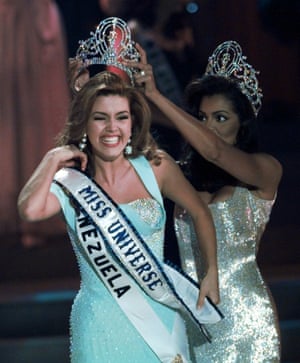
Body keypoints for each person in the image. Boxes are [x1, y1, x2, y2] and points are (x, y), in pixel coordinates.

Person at [17, 62, 223, 362]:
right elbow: (30, 210)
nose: (112, 128)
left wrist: (211, 272)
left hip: (161, 318)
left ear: (132, 122)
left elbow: (200, 213)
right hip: (98, 324)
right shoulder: (71, 183)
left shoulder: (156, 166)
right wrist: (51, 159)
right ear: (85, 123)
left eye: (121, 117)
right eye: (100, 118)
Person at [130, 40, 282, 362]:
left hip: (247, 324)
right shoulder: (180, 176)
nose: (209, 128)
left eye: (221, 118)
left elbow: (213, 149)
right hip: (194, 318)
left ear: (243, 124)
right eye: (203, 118)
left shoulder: (265, 170)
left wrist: (156, 94)